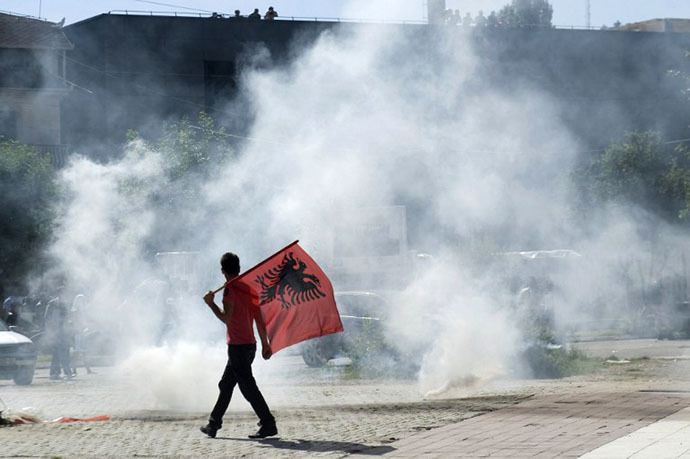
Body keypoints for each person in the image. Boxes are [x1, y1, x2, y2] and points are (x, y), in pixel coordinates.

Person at [200, 252, 277, 439]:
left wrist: (210, 304)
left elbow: (226, 318)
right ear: (239, 268)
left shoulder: (230, 289)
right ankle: (213, 424)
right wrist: (265, 344)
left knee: (248, 388)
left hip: (238, 347)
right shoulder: (248, 288)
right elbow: (259, 319)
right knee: (226, 384)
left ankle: (268, 423)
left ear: (222, 271)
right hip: (249, 346)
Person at [44, 287, 73, 380]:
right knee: (57, 352)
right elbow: (47, 318)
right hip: (55, 332)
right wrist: (50, 331)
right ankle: (56, 373)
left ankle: (63, 372)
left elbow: (68, 318)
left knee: (64, 352)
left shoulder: (66, 304)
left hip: (64, 332)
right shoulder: (52, 303)